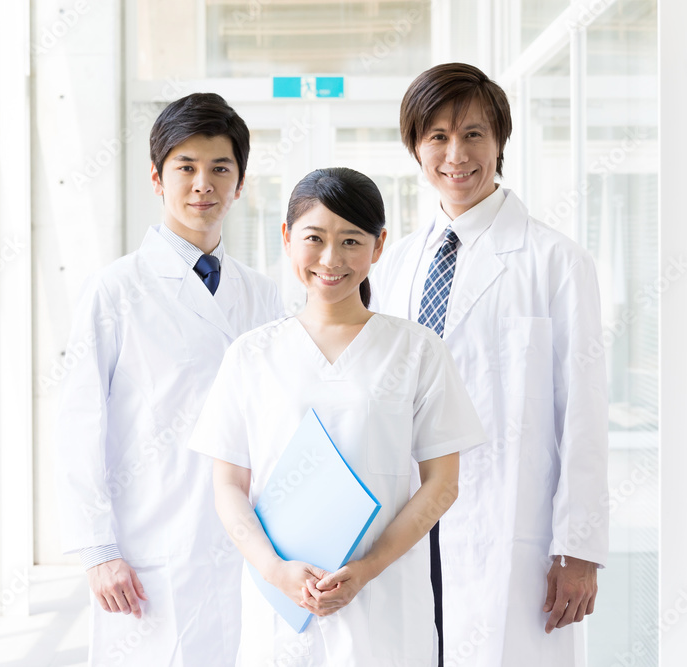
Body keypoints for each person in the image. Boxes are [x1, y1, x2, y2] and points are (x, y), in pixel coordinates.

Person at [188, 167, 487, 666]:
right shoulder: (251, 354)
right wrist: (275, 570)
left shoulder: (416, 350)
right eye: (314, 238)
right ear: (287, 239)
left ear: (379, 245)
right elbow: (227, 485)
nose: (331, 259)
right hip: (282, 603)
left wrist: (367, 569)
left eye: (351, 240)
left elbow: (443, 484)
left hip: (386, 597)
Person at [370, 63, 609, 667]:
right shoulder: (395, 264)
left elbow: (582, 410)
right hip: (406, 525)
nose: (456, 155)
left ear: (500, 141)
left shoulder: (556, 261)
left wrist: (578, 546)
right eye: (438, 137)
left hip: (509, 526)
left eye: (474, 134)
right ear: (415, 147)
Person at [54, 92, 284, 666]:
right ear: (157, 179)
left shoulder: (262, 293)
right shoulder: (115, 290)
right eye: (186, 167)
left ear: (240, 182)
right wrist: (97, 549)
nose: (203, 184)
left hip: (248, 544)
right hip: (149, 545)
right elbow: (77, 423)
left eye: (220, 168)